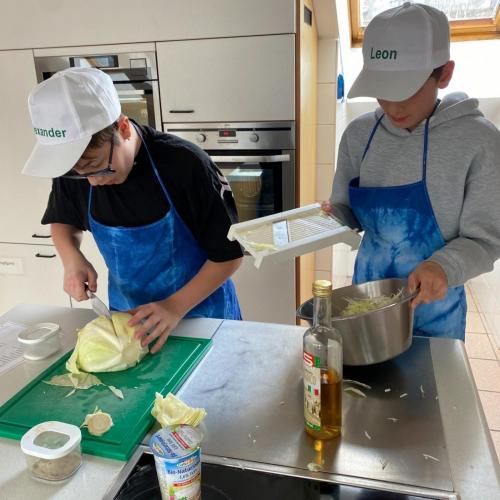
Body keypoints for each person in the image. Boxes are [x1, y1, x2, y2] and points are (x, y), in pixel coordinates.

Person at [22, 67, 243, 353]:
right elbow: (63, 220)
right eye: (78, 173)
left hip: (202, 317)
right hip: (131, 324)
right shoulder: (76, 169)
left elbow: (229, 255)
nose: (92, 181)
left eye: (96, 166)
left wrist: (173, 307)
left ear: (123, 128)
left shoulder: (185, 165)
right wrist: (72, 258)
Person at [323, 2, 500, 340]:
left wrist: (442, 266)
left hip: (436, 314)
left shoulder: (479, 141)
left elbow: (486, 239)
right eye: (382, 91)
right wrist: (332, 218)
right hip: (367, 303)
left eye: (406, 90)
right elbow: (346, 210)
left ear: (444, 74)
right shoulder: (359, 135)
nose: (392, 106)